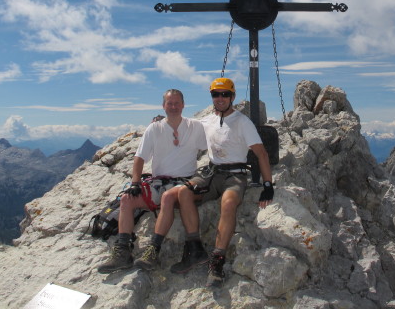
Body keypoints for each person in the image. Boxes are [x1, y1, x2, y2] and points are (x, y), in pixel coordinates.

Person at [172, 78, 274, 287]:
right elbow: (184, 127)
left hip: (235, 175)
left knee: (228, 204)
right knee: (184, 193)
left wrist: (268, 185)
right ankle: (195, 250)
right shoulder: (207, 121)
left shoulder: (242, 122)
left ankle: (217, 261)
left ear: (232, 97)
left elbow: (261, 154)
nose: (220, 99)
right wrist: (161, 122)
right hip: (211, 172)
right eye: (215, 95)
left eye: (224, 94)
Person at [98, 89, 207, 274]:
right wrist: (135, 182)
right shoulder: (154, 129)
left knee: (167, 198)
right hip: (159, 181)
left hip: (183, 182)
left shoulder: (195, 126)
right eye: (169, 103)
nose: (173, 107)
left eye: (176, 103)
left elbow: (212, 141)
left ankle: (153, 250)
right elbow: (139, 158)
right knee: (126, 200)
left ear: (183, 105)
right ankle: (123, 251)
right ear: (163, 106)